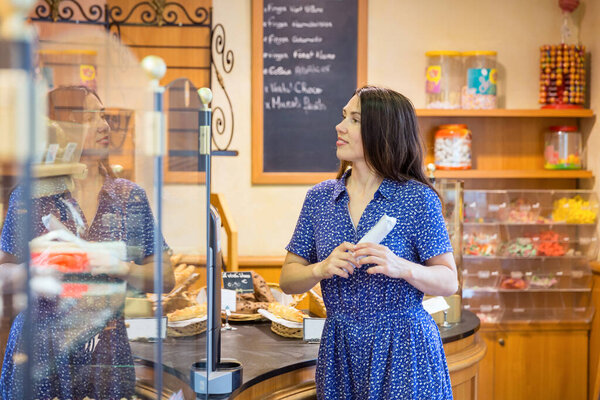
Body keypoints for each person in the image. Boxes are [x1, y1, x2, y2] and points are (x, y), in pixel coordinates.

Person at [280, 85, 458, 399]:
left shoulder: (418, 199)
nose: (340, 126)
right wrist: (321, 268)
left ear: (383, 131)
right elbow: (288, 279)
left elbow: (448, 281)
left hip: (405, 351)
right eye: (343, 117)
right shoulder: (320, 199)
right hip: (340, 351)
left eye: (355, 119)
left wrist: (402, 267)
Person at [0, 85, 174, 399]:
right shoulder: (30, 196)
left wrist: (118, 266)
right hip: (40, 349)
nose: (104, 125)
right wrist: (34, 271)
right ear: (57, 129)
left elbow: (166, 277)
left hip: (107, 352)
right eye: (89, 117)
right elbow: (3, 278)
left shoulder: (129, 197)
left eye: (103, 115)